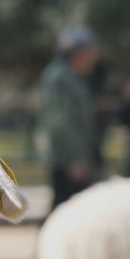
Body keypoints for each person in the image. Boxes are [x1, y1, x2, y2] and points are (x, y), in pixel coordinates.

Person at [38, 27, 100, 210]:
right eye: (91, 50)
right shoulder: (60, 78)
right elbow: (60, 121)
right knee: (64, 209)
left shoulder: (74, 77)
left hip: (76, 157)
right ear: (77, 52)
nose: (94, 55)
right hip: (67, 159)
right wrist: (74, 159)